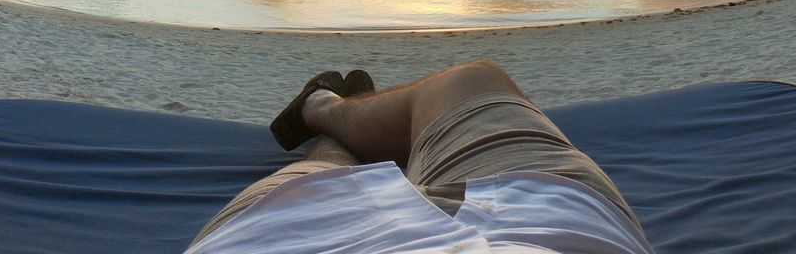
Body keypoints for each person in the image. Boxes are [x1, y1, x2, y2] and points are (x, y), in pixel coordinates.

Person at [187, 60, 654, 254]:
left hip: (290, 243)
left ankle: (326, 116)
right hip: (543, 225)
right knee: (471, 83)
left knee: (322, 175)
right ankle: (333, 115)